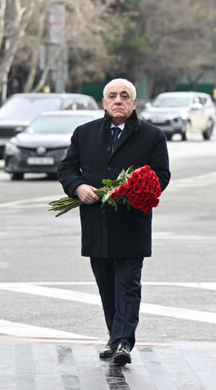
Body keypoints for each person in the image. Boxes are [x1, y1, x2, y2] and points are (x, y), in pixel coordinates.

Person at [57, 78, 171, 366]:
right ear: (104, 103)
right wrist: (78, 187)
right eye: (112, 96)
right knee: (106, 285)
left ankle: (123, 340)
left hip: (132, 223)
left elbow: (161, 175)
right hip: (97, 223)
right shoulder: (84, 133)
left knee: (127, 284)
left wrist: (133, 191)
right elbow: (67, 168)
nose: (118, 100)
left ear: (134, 103)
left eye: (124, 96)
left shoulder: (152, 136)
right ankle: (114, 336)